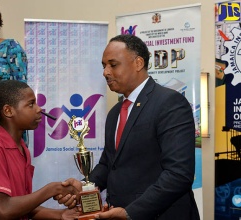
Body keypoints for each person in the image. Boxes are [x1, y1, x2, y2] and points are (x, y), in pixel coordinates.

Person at [57, 34, 200, 220]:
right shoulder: (115, 112)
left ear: (138, 63)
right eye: (104, 66)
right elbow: (109, 164)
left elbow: (178, 174)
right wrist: (85, 186)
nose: (105, 72)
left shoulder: (170, 103)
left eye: (113, 64)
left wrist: (130, 212)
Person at [0, 80, 80, 220]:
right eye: (31, 104)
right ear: (8, 111)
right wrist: (52, 189)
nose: (38, 109)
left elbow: (22, 206)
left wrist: (60, 215)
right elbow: (3, 210)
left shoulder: (23, 149)